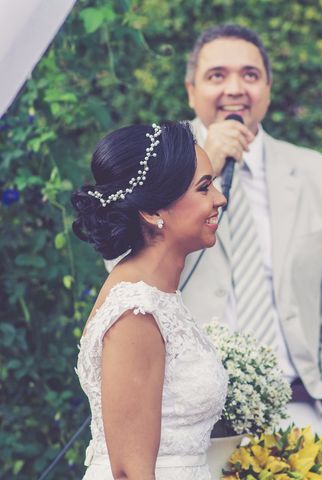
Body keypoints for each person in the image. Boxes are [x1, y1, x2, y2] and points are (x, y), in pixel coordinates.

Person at [180, 24, 322, 445]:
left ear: (267, 87)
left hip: (297, 416)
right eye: (216, 76)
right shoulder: (156, 167)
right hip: (186, 422)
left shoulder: (318, 174)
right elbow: (129, 272)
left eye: (250, 75)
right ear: (191, 91)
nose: (235, 88)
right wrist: (203, 164)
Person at [72, 121, 228, 479]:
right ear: (154, 212)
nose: (219, 198)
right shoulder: (136, 311)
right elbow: (129, 472)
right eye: (204, 187)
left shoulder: (161, 295)